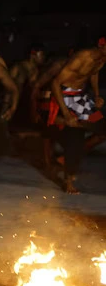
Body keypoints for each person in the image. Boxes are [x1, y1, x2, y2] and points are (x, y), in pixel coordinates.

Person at [46, 38, 106, 194]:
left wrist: (97, 95)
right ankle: (68, 181)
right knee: (75, 136)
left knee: (101, 127)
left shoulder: (102, 58)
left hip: (81, 98)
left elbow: (94, 74)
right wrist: (66, 113)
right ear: (101, 46)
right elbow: (55, 83)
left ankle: (65, 159)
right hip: (65, 96)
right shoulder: (82, 57)